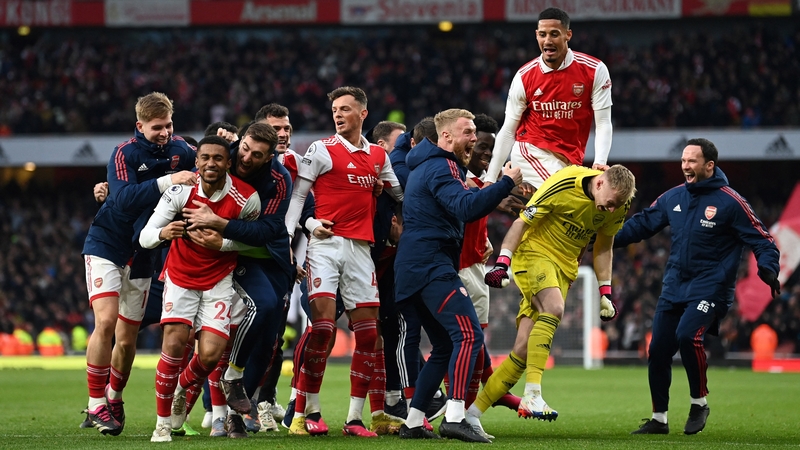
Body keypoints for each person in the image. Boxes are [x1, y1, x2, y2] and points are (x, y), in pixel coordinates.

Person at [616, 139, 780, 435]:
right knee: (658, 350)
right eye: (683, 160)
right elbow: (641, 225)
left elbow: (762, 239)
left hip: (710, 288)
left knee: (687, 335)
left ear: (709, 166)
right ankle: (659, 419)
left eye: (692, 161)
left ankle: (699, 402)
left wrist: (768, 268)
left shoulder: (731, 201)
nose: (685, 166)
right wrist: (603, 240)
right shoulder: (673, 197)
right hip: (674, 286)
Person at [470, 164, 636, 436]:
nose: (610, 211)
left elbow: (604, 245)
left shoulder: (619, 203)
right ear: (598, 184)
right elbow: (522, 221)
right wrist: (502, 263)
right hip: (535, 253)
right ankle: (533, 393)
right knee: (555, 308)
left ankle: (471, 415)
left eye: (616, 206)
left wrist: (605, 292)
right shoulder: (563, 183)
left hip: (565, 268)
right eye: (608, 205)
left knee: (522, 351)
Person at [394, 108, 522, 442]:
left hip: (414, 267)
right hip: (430, 266)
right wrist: (507, 182)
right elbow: (466, 208)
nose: (474, 138)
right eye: (468, 132)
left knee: (443, 347)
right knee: (468, 336)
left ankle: (413, 422)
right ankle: (454, 416)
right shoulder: (442, 166)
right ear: (446, 137)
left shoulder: (426, 165)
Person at [283, 86, 404, 437]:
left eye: (346, 109)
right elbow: (298, 197)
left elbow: (399, 192)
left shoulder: (379, 157)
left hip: (361, 251)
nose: (338, 114)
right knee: (322, 329)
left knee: (369, 335)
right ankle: (311, 411)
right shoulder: (322, 150)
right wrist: (291, 243)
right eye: (335, 109)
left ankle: (354, 419)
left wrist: (386, 194)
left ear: (363, 114)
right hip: (325, 246)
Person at [81, 92, 196, 435]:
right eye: (157, 127)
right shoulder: (124, 153)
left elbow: (208, 173)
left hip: (146, 253)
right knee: (105, 322)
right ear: (140, 126)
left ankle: (114, 399)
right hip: (108, 244)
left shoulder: (183, 151)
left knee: (127, 339)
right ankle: (95, 403)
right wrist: (168, 180)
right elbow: (124, 198)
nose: (164, 132)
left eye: (169, 125)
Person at [138, 135, 261, 442]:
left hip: (219, 282)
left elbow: (256, 239)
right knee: (175, 344)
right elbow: (145, 235)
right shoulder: (180, 192)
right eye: (205, 157)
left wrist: (224, 243)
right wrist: (164, 232)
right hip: (180, 278)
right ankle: (163, 424)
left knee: (209, 356)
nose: (210, 163)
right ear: (197, 161)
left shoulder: (247, 198)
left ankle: (181, 387)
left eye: (218, 158)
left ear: (228, 163)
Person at [484, 7, 613, 191]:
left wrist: (600, 162)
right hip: (531, 151)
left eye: (554, 34)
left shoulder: (594, 70)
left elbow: (603, 123)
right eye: (542, 34)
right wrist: (490, 178)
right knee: (571, 196)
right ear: (536, 35)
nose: (547, 41)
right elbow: (508, 130)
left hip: (568, 160)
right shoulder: (524, 76)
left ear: (568, 35)